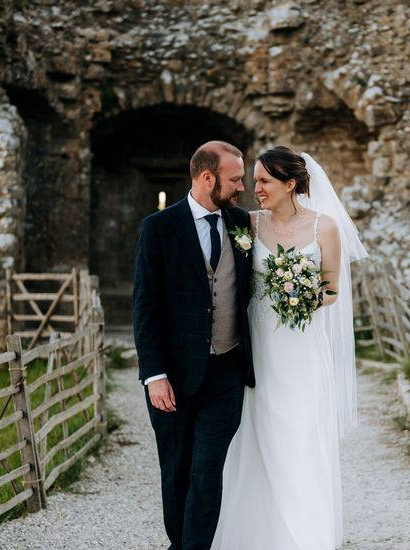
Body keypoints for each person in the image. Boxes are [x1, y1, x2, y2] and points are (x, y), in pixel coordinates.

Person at [214, 146, 368, 550]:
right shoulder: (246, 223)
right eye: (255, 180)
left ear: (290, 184)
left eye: (264, 181)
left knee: (300, 437)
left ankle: (305, 537)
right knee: (260, 435)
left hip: (302, 350)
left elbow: (333, 290)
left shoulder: (325, 228)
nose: (255, 188)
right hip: (260, 351)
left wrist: (300, 294)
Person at [132, 140, 255, 550]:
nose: (243, 187)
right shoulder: (159, 228)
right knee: (177, 469)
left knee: (207, 470)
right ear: (208, 178)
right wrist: (154, 375)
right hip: (174, 375)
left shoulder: (241, 223)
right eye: (235, 179)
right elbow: (144, 308)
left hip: (227, 370)